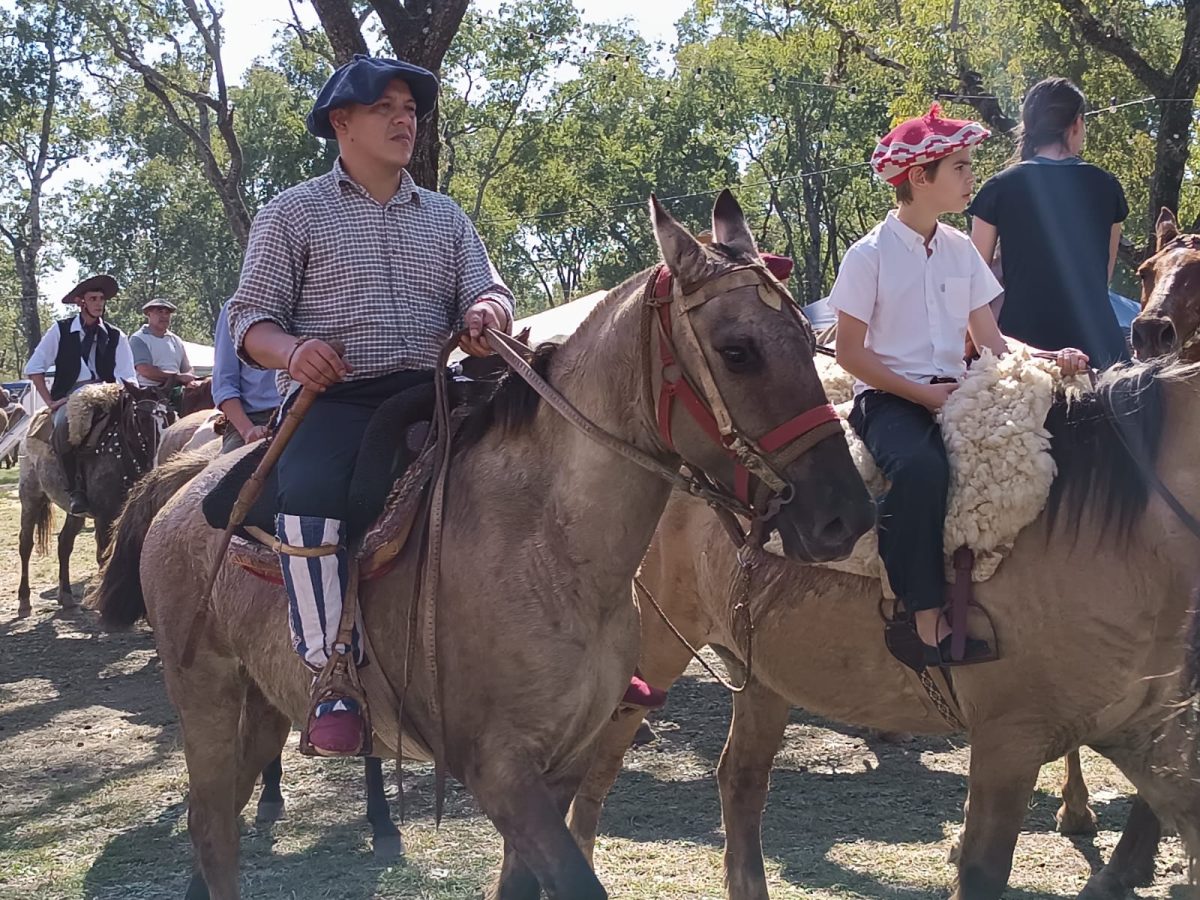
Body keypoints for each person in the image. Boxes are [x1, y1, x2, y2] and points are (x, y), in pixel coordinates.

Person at [828, 104, 1087, 666]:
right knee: (920, 469)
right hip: (887, 399)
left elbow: (992, 340)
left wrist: (1048, 357)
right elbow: (851, 354)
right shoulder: (866, 256)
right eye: (962, 168)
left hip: (958, 394)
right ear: (920, 178)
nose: (973, 177)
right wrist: (923, 396)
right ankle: (920, 619)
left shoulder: (960, 249)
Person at [969, 77, 1130, 369]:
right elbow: (1103, 274)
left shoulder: (997, 188)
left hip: (1020, 350)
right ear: (1077, 124)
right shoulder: (1107, 186)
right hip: (1099, 348)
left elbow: (976, 281)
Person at [24, 274, 138, 514]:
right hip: (72, 395)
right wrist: (51, 402)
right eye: (93, 298)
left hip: (109, 393)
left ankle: (140, 478)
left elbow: (128, 377)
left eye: (101, 299)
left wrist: (117, 394)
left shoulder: (116, 335)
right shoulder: (61, 330)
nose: (99, 304)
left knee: (144, 422)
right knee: (64, 425)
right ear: (81, 302)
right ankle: (75, 489)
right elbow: (34, 368)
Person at [211, 302, 280, 454]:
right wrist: (247, 430)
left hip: (310, 413)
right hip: (257, 419)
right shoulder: (235, 307)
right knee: (226, 476)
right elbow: (224, 383)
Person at [130, 299, 197, 391]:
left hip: (175, 390)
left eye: (167, 313)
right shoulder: (139, 339)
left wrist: (189, 378)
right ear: (149, 314)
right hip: (148, 392)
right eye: (160, 312)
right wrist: (178, 378)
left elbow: (186, 367)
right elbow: (145, 371)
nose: (164, 316)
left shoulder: (176, 340)